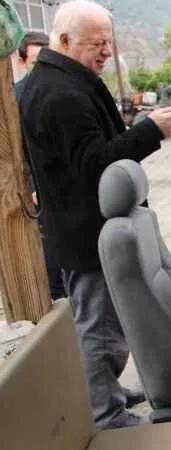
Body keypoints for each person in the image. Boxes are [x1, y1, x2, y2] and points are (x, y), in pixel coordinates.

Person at [19, 0, 171, 429]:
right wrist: (150, 132)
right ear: (64, 40)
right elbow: (96, 166)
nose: (107, 52)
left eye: (109, 43)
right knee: (99, 329)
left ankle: (105, 391)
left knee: (104, 323)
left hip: (83, 228)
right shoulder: (62, 94)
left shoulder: (64, 80)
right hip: (87, 232)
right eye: (98, 44)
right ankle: (105, 415)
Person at [14, 31, 65, 300]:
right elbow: (17, 152)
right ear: (22, 62)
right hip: (39, 191)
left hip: (67, 186)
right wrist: (32, 187)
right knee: (52, 256)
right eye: (36, 63)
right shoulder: (15, 98)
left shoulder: (62, 89)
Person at [14, 31, 49, 99]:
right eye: (36, 63)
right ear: (22, 62)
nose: (44, 67)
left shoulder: (65, 86)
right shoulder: (14, 95)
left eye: (47, 62)